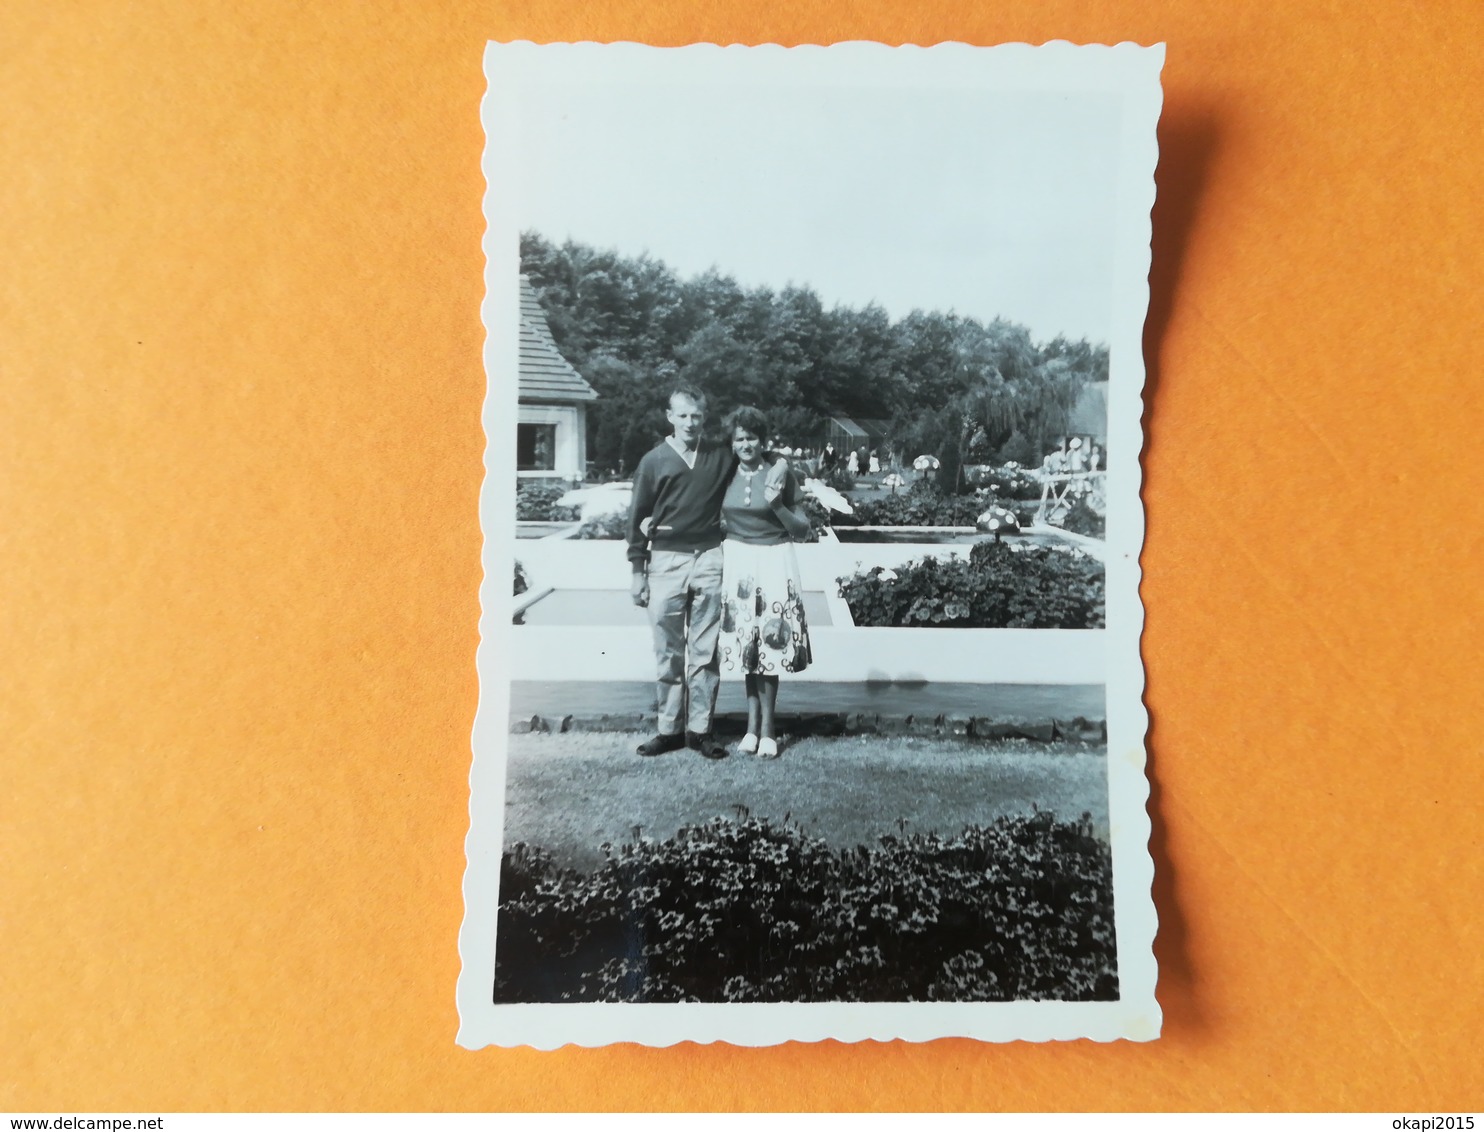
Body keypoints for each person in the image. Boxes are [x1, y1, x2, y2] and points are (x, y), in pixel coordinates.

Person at [627, 387, 786, 760]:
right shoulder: (653, 461)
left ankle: (700, 730)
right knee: (668, 650)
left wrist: (780, 464)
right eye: (682, 415)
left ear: (704, 418)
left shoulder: (718, 455)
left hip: (711, 557)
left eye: (696, 416)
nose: (690, 422)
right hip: (666, 560)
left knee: (705, 650)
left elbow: (759, 452)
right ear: (670, 416)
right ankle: (668, 730)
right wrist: (638, 571)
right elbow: (636, 519)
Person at [717, 407, 813, 759]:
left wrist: (777, 506)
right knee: (747, 646)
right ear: (732, 442)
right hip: (739, 562)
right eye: (739, 438)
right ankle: (751, 727)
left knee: (770, 643)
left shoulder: (778, 472)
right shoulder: (725, 471)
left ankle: (769, 731)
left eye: (752, 437)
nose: (746, 444)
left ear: (763, 440)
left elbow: (803, 530)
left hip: (774, 558)